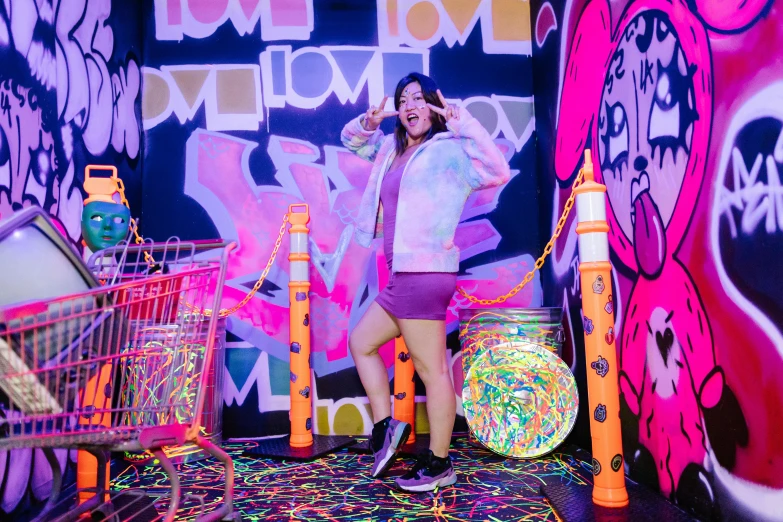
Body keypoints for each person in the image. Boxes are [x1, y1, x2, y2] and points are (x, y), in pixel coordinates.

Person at [340, 72, 511, 492]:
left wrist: (462, 122)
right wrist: (368, 121)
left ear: (432, 104)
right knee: (361, 342)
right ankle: (387, 428)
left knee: (432, 372)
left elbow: (497, 169)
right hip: (405, 275)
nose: (410, 105)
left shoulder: (449, 150)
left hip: (425, 272)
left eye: (419, 97)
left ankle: (438, 463)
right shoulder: (392, 150)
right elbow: (352, 141)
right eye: (403, 99)